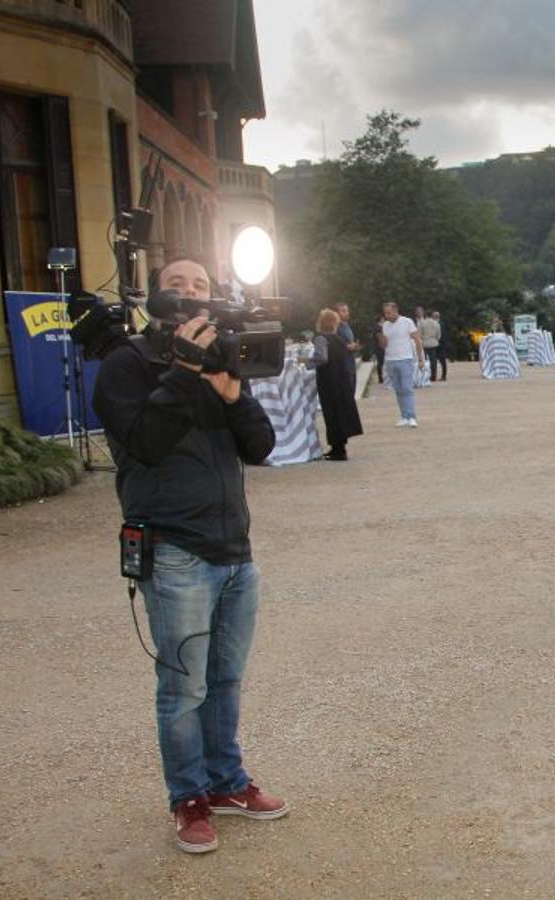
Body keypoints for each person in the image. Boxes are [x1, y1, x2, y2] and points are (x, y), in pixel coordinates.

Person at [92, 257, 288, 855]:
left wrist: (230, 394)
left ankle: (226, 782)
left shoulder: (224, 358)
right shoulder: (126, 365)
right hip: (174, 548)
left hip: (235, 550)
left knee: (225, 680)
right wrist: (180, 369)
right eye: (176, 285)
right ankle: (189, 797)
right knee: (184, 687)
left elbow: (260, 447)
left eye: (199, 285)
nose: (189, 294)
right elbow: (145, 443)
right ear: (156, 297)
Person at [312, 308, 363, 460]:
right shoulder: (339, 339)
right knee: (341, 413)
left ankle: (337, 449)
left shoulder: (321, 339)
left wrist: (306, 362)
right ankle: (339, 447)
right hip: (341, 379)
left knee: (331, 414)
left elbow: (322, 358)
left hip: (328, 381)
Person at [378, 301, 423, 427]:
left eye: (389, 312)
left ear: (395, 311)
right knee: (398, 390)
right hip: (390, 360)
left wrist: (420, 359)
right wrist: (380, 336)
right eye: (385, 313)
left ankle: (411, 416)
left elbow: (417, 340)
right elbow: (384, 345)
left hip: (405, 359)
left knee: (407, 389)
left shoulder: (407, 322)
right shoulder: (385, 325)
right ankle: (404, 416)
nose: (387, 315)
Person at [429, 310, 448, 381]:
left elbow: (443, 335)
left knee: (442, 361)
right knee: (433, 361)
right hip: (433, 344)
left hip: (441, 345)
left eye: (437, 315)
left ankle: (444, 375)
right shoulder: (431, 324)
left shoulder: (441, 324)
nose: (435, 316)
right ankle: (433, 375)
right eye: (434, 315)